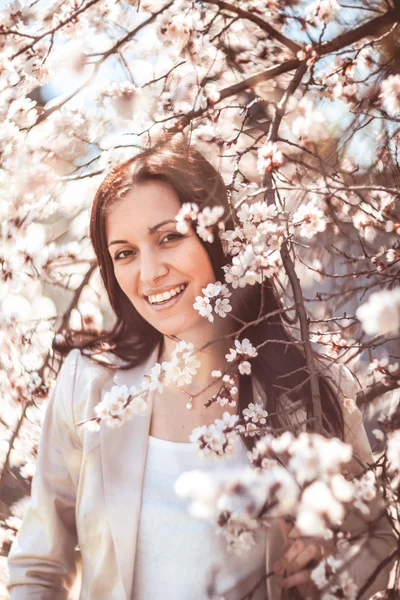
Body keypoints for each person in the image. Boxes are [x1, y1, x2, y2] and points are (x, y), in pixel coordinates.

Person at [7, 135, 396, 600]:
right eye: (125, 253)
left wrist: (333, 553)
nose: (149, 273)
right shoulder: (88, 385)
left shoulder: (308, 387)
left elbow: (377, 542)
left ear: (217, 236)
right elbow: (37, 568)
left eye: (169, 237)